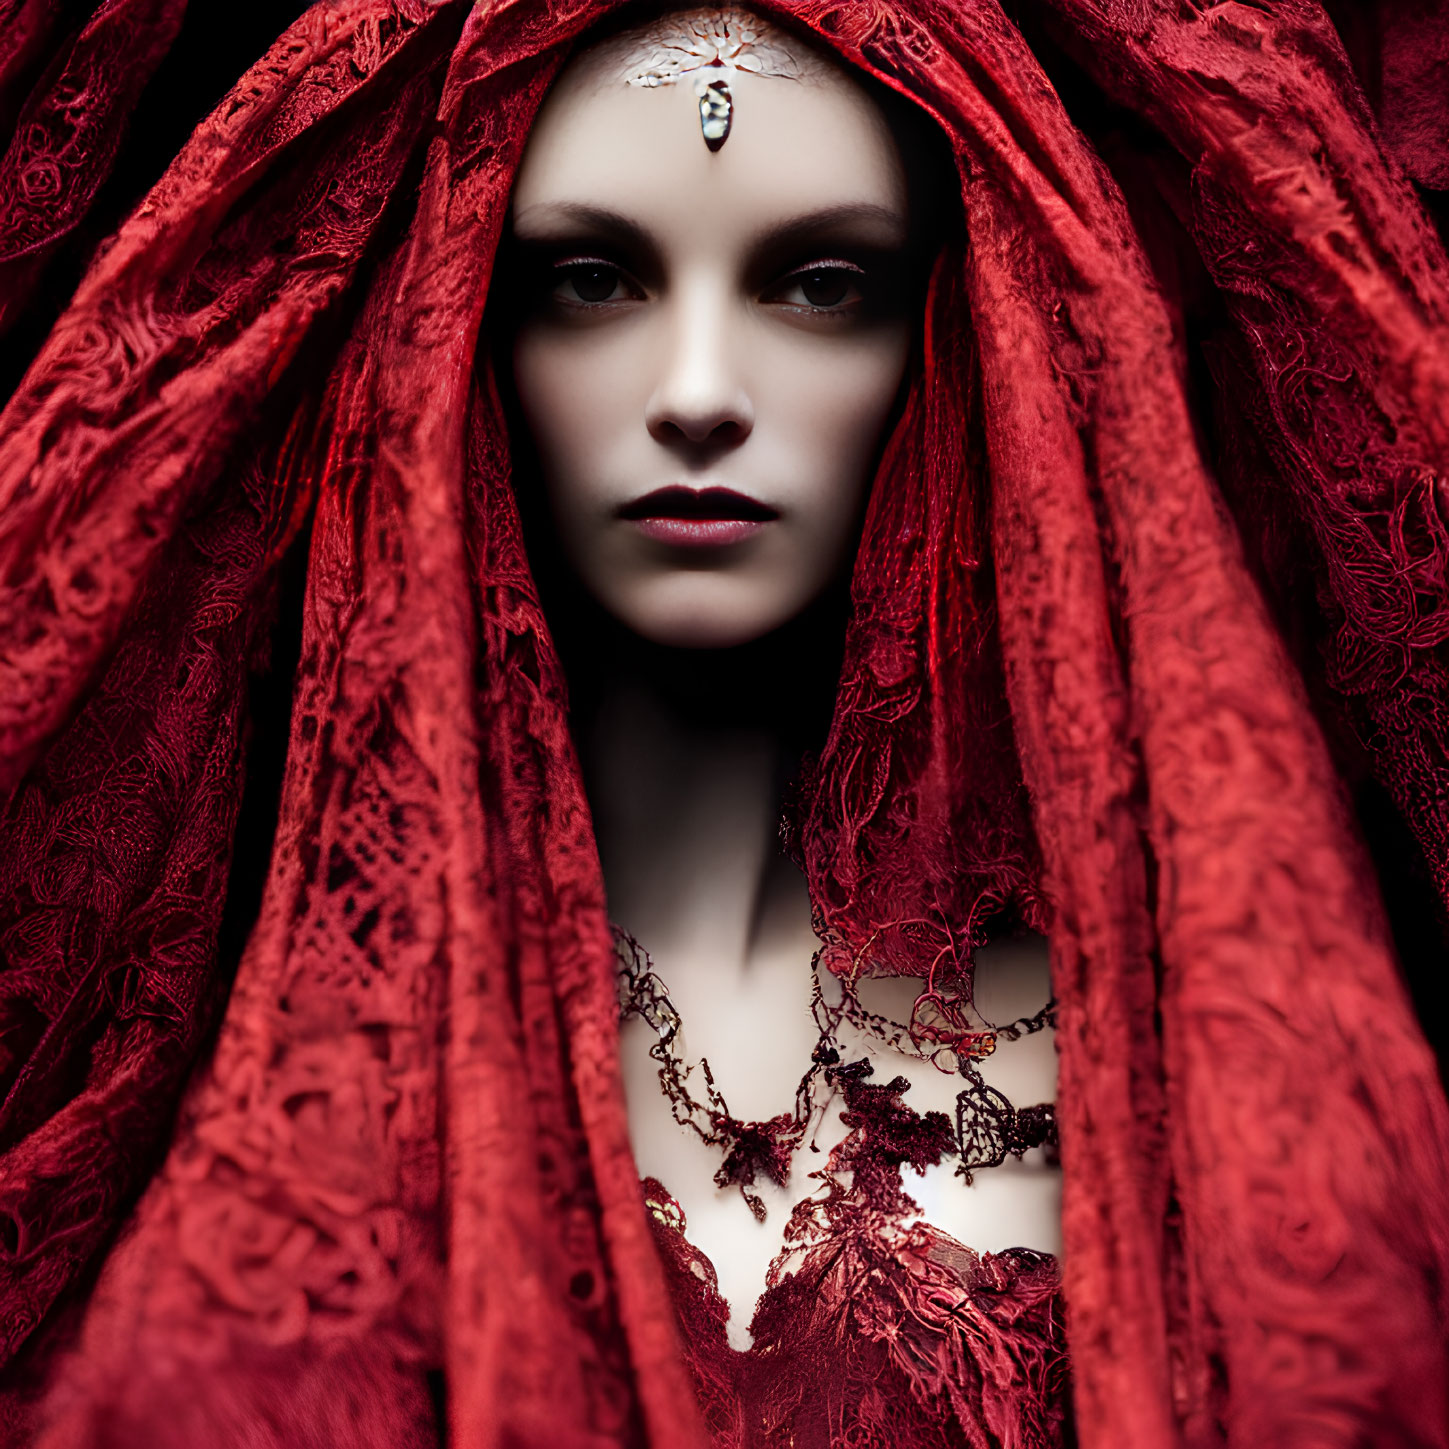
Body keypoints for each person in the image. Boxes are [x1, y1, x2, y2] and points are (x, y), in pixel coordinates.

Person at [0, 2, 1446, 1447]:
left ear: (951, 319)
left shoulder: (1175, 1023)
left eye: (818, 286)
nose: (697, 396)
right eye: (591, 280)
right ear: (458, 321)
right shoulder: (195, 997)